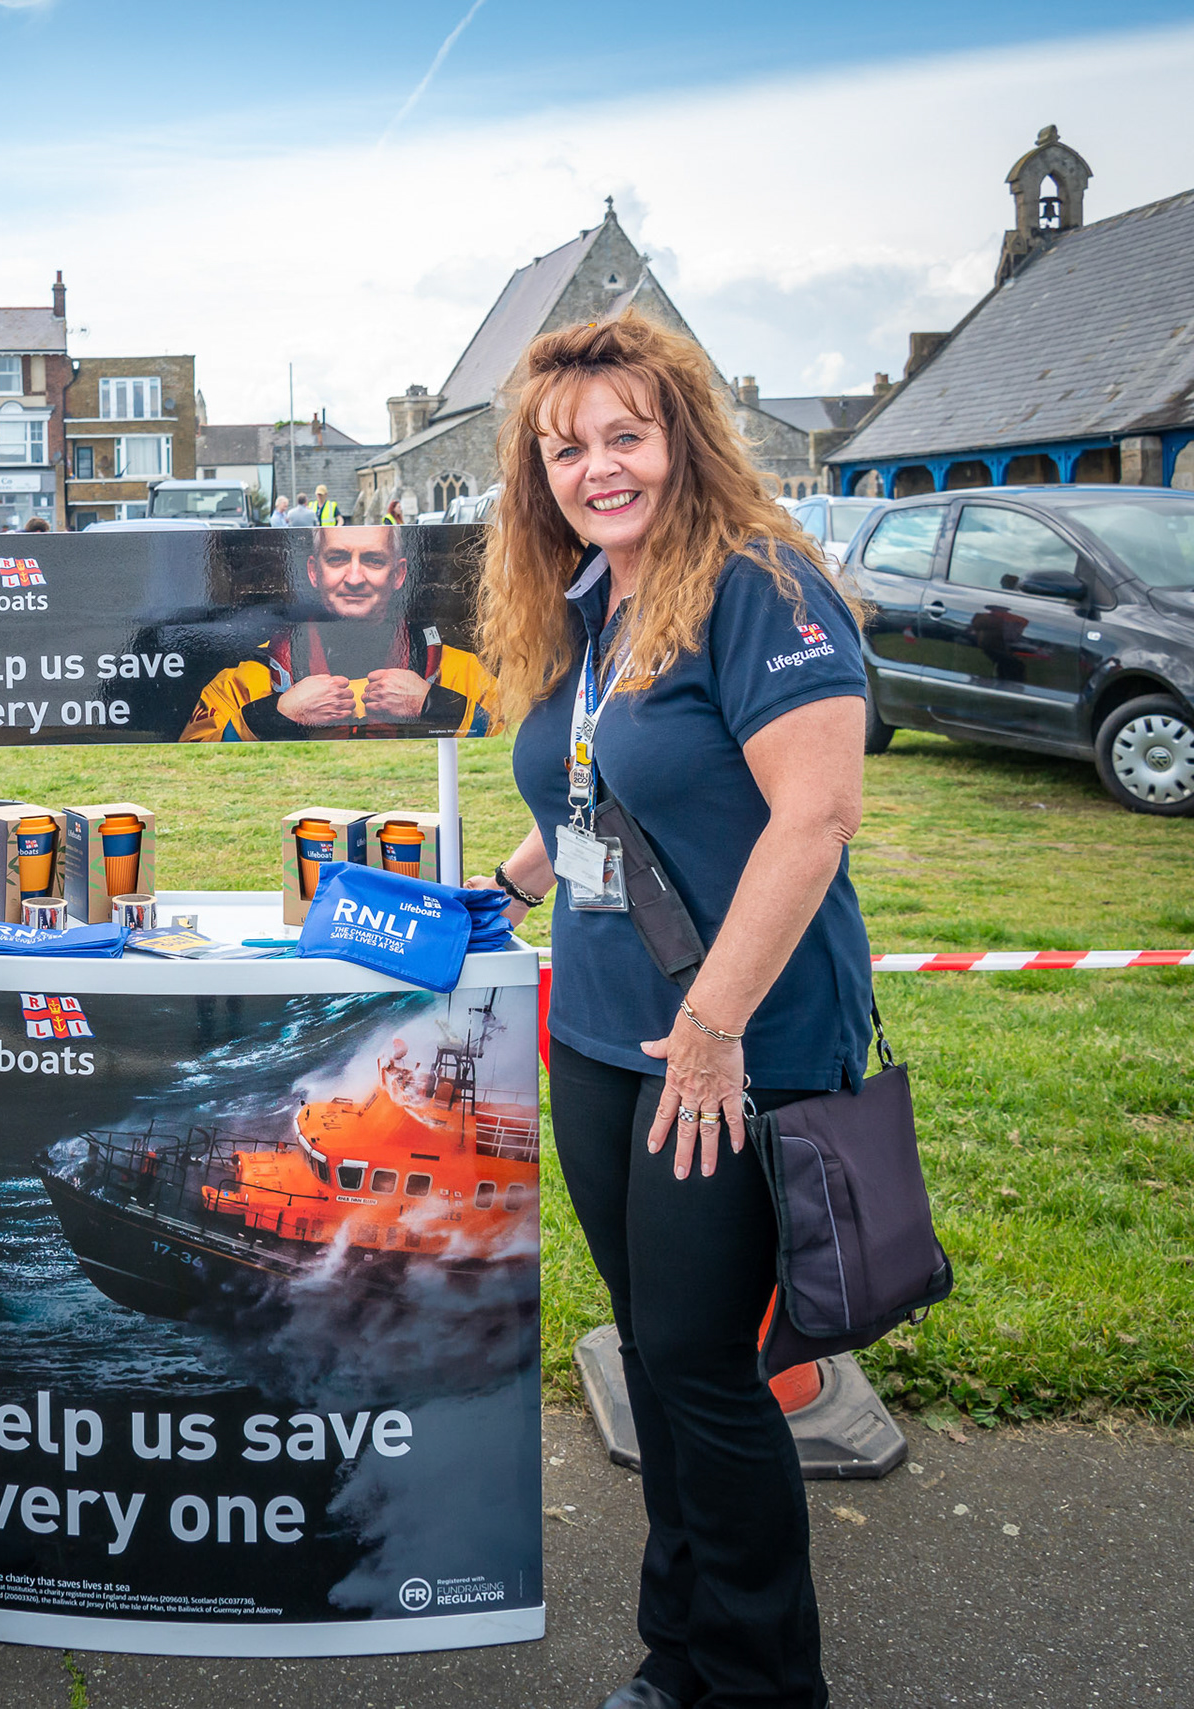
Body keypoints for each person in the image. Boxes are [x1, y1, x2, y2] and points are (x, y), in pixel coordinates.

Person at [474, 314, 871, 1709]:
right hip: (598, 1037)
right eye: (566, 447)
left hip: (731, 1042)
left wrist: (710, 1026)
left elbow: (814, 818)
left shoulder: (759, 582)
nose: (598, 467)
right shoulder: (594, 598)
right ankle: (676, 1660)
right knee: (658, 1358)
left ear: (682, 434)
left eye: (625, 435)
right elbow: (593, 798)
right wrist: (501, 893)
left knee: (705, 1372)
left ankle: (762, 1680)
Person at [181, 522, 496, 740]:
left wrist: (436, 707)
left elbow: (520, 744)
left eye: (373, 560)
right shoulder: (246, 683)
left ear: (399, 574)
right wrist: (275, 715)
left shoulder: (462, 674)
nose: (355, 577)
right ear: (314, 572)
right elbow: (192, 760)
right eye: (337, 559)